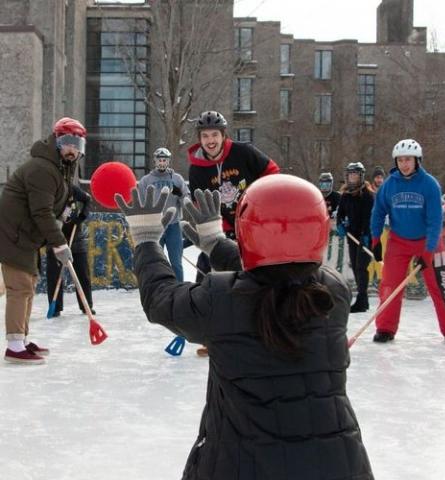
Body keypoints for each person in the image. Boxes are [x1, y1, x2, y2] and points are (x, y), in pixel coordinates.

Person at [115, 175, 374, 480]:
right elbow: (277, 275)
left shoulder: (222, 298)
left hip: (242, 465)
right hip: (337, 465)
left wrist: (145, 241)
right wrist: (216, 244)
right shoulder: (334, 292)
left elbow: (161, 300)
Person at [187, 110, 280, 355]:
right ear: (200, 138)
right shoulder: (196, 169)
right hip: (220, 230)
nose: (210, 140)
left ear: (223, 135)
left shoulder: (243, 152)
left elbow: (273, 173)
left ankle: (265, 329)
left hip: (252, 226)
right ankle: (207, 332)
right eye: (205, 136)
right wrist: (207, 229)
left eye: (214, 134)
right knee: (206, 273)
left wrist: (263, 203)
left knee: (258, 276)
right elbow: (199, 204)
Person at [0, 117, 85, 364]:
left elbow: (52, 205)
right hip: (12, 233)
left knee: (29, 284)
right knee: (20, 287)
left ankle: (22, 339)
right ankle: (15, 345)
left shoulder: (61, 168)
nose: (73, 149)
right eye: (68, 142)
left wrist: (67, 212)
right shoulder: (43, 168)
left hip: (25, 235)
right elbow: (41, 211)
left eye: (77, 143)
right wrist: (59, 243)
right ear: (56, 141)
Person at [370, 139, 445, 343]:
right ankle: (385, 328)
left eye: (409, 160)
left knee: (442, 285)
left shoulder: (429, 184)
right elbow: (377, 213)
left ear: (417, 161)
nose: (404, 164)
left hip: (428, 241)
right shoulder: (388, 185)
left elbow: (434, 221)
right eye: (401, 160)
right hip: (398, 241)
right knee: (390, 286)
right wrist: (376, 239)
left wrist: (428, 251)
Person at [138, 147, 188, 281]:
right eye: (159, 160)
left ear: (168, 161)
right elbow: (141, 205)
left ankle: (179, 289)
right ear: (154, 161)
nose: (162, 162)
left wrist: (181, 194)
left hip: (173, 226)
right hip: (155, 227)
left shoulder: (177, 179)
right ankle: (157, 289)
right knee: (155, 262)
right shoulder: (145, 181)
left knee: (176, 262)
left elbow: (187, 201)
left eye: (164, 160)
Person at [46, 184, 94, 316]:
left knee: (82, 274)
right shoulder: (46, 192)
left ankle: (86, 306)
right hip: (55, 238)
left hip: (75, 237)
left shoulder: (71, 188)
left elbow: (87, 199)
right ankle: (55, 307)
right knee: (54, 275)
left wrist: (83, 216)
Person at [336, 162, 375, 312]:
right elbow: (341, 214)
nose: (353, 177)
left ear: (361, 176)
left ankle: (362, 299)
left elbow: (369, 217)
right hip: (352, 236)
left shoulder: (367, 195)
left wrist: (366, 234)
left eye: (355, 174)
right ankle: (362, 299)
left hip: (365, 236)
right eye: (350, 174)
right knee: (355, 266)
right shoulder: (345, 195)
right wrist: (341, 224)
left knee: (361, 267)